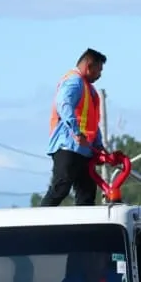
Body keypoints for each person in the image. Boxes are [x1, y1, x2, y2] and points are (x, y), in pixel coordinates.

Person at [41, 48, 107, 207]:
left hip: (84, 150)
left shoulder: (88, 89)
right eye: (99, 70)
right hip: (68, 147)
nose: (100, 75)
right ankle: (35, 224)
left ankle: (86, 229)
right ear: (89, 66)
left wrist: (99, 146)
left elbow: (92, 121)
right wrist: (76, 132)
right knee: (60, 187)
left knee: (87, 192)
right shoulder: (74, 81)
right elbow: (63, 103)